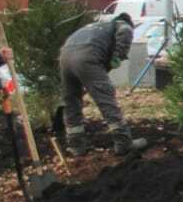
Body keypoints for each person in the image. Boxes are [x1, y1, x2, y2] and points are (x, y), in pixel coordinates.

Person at [59, 13, 147, 156]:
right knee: (106, 100)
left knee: (71, 102)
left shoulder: (96, 28)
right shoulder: (122, 25)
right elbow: (126, 32)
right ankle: (124, 142)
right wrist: (117, 57)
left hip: (65, 57)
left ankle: (76, 146)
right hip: (86, 57)